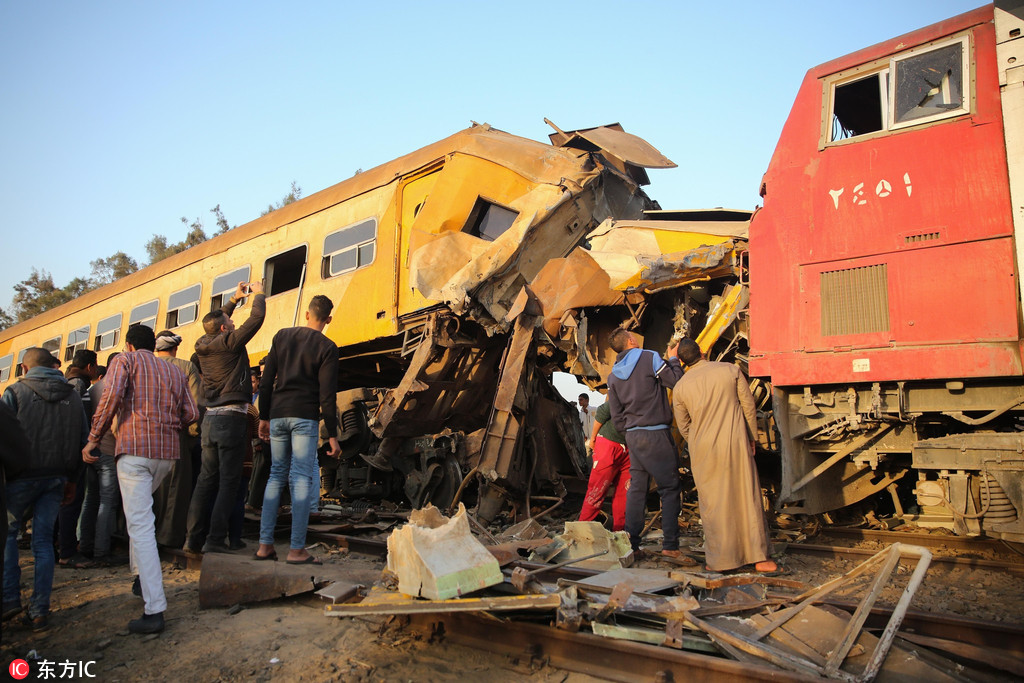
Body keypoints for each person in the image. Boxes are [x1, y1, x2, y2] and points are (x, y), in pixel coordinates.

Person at [85, 325, 199, 634]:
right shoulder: (175, 371)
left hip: (134, 452)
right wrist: (165, 421)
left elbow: (109, 400)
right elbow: (191, 413)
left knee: (141, 526)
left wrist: (93, 439)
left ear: (129, 345)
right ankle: (140, 578)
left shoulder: (125, 361)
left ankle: (155, 609)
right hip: (166, 455)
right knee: (142, 518)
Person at [671, 339, 777, 573]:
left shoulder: (680, 387)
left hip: (703, 448)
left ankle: (719, 561)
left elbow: (683, 426)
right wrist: (751, 438)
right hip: (735, 441)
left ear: (682, 361)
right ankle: (760, 559)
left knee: (713, 504)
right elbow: (748, 407)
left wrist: (698, 442)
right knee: (746, 498)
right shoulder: (731, 370)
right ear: (702, 350)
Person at [2, 348, 88, 631]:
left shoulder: (15, 393)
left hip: (20, 478)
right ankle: (39, 611)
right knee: (41, 542)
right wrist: (73, 479)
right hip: (57, 478)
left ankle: (9, 599)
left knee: (9, 535)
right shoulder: (73, 395)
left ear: (25, 369)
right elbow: (82, 440)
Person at [255, 295, 340, 564]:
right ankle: (296, 550)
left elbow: (266, 382)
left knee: (276, 475)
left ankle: (264, 546)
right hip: (304, 417)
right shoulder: (327, 347)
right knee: (301, 477)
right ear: (328, 319)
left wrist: (264, 417)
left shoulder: (282, 336)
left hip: (278, 415)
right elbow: (328, 395)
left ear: (306, 314)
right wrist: (334, 435)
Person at [185, 280, 266, 554]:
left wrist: (234, 298)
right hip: (231, 419)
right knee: (229, 482)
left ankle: (193, 539)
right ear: (224, 329)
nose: (233, 323)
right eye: (229, 322)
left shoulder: (201, 344)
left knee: (206, 480)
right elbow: (256, 319)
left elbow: (214, 320)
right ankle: (216, 539)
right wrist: (259, 293)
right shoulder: (230, 343)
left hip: (210, 420)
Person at [606, 329, 684, 557]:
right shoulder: (649, 357)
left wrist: (629, 432)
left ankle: (633, 545)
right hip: (656, 434)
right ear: (631, 341)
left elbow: (616, 414)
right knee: (669, 489)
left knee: (637, 490)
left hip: (633, 436)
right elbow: (675, 382)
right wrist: (673, 360)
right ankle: (670, 546)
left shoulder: (613, 376)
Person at [153, 331, 202, 549]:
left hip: (146, 434)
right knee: (175, 488)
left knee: (150, 487)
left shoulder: (145, 366)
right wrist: (192, 433)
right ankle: (168, 537)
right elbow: (195, 403)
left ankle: (144, 535)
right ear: (175, 348)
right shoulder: (185, 367)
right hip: (175, 433)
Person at [57, 349, 101, 569]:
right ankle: (66, 551)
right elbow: (76, 421)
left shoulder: (70, 382)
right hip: (74, 452)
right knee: (71, 501)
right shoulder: (78, 386)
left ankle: (62, 547)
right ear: (90, 367)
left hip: (68, 451)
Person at [79, 355, 122, 566]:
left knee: (91, 500)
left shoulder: (93, 388)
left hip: (91, 451)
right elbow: (114, 425)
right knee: (108, 502)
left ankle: (85, 545)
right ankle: (101, 552)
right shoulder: (114, 387)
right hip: (107, 451)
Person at [579, 399, 630, 530]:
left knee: (625, 495)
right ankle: (582, 534)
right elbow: (603, 412)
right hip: (609, 444)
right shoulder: (629, 388)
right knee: (597, 492)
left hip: (631, 448)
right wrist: (593, 439)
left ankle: (620, 535)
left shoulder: (654, 395)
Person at [578, 393, 596, 457]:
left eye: (581, 400)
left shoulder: (595, 410)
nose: (579, 401)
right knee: (588, 459)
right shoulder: (580, 414)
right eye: (579, 400)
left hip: (595, 440)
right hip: (586, 442)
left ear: (587, 400)